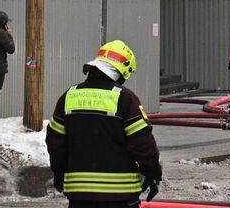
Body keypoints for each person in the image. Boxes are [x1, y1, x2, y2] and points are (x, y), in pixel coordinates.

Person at [45, 40, 161, 207]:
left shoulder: (68, 97)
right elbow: (143, 144)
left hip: (79, 196)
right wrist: (152, 172)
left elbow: (55, 143)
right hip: (120, 196)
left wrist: (59, 172)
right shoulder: (125, 98)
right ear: (122, 71)